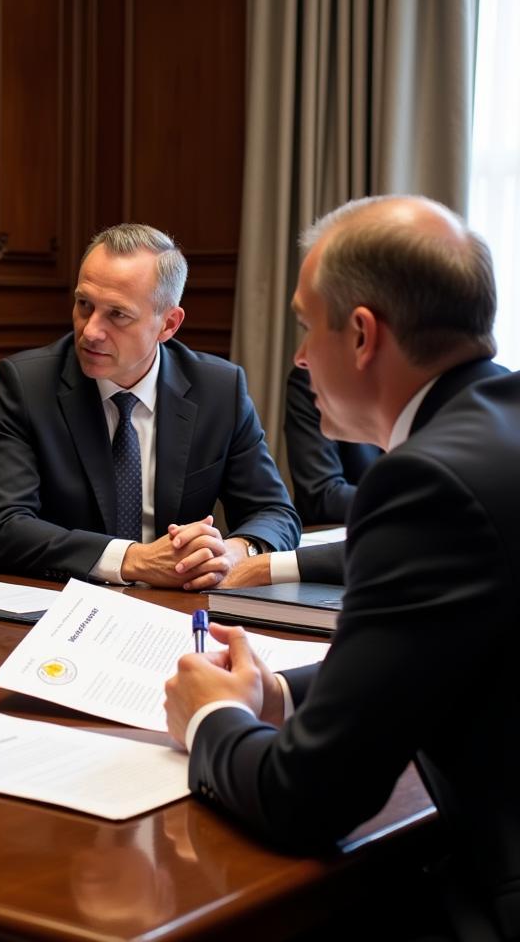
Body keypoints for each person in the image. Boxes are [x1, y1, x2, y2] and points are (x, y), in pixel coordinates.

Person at [165, 195, 517, 937]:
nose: (297, 355)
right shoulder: (498, 429)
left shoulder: (424, 481)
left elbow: (308, 803)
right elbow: (437, 649)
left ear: (362, 335)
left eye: (303, 324)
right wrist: (277, 696)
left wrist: (211, 716)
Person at [0, 223, 300, 589]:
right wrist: (133, 559)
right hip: (63, 605)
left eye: (118, 315)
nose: (91, 331)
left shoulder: (219, 389)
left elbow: (275, 513)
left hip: (178, 606)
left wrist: (235, 552)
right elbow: (2, 527)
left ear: (168, 325)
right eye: (84, 304)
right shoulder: (26, 385)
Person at [284, 365, 382, 525]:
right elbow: (321, 493)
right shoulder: (313, 379)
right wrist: (411, 501)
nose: (300, 356)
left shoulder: (427, 385)